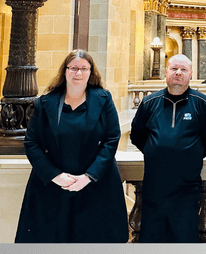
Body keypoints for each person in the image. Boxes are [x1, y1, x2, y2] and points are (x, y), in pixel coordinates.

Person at [15, 49, 129, 243]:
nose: (78, 73)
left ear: (91, 72)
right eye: (74, 68)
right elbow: (31, 142)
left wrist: (88, 177)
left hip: (96, 186)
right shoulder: (45, 103)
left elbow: (112, 139)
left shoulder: (104, 99)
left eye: (84, 69)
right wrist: (55, 176)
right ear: (65, 71)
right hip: (53, 188)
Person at [130, 54, 206, 243]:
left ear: (191, 74)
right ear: (166, 72)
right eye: (174, 69)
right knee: (152, 241)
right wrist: (155, 151)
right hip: (154, 189)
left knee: (184, 241)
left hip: (186, 191)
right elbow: (136, 135)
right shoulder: (149, 103)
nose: (178, 73)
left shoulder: (203, 104)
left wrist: (192, 153)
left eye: (183, 70)